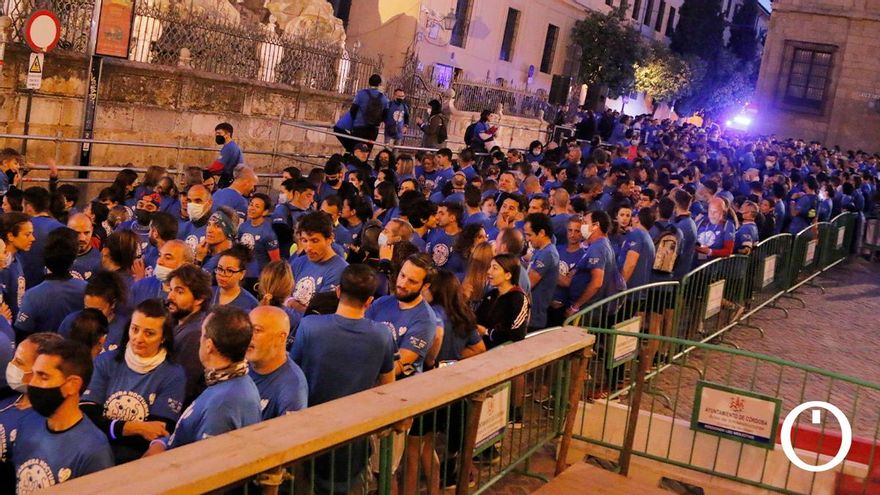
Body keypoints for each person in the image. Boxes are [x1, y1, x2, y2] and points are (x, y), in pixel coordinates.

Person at [291, 264, 395, 492]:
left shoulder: (310, 326)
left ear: (338, 291)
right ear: (369, 301)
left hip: (311, 432)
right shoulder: (382, 335)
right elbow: (388, 386)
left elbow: (293, 374)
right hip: (355, 435)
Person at [80, 299, 185, 464]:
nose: (138, 338)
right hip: (94, 450)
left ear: (163, 337)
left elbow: (158, 430)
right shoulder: (106, 361)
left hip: (138, 459)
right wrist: (135, 427)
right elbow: (87, 416)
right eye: (134, 329)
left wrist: (111, 426)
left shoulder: (174, 374)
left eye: (149, 333)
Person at [144, 306, 261, 455]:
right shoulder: (234, 382)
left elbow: (204, 465)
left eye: (202, 334)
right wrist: (160, 443)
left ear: (209, 346)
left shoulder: (222, 405)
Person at [12, 339, 113, 492]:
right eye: (33, 374)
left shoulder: (94, 451)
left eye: (43, 377)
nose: (32, 383)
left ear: (72, 385)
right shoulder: (27, 423)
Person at [0, 333, 62, 490]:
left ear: (41, 371)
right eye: (14, 359)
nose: (11, 365)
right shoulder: (7, 397)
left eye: (19, 363)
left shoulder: (43, 422)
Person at [365, 254, 438, 379]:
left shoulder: (425, 320)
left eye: (412, 281)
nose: (403, 284)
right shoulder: (382, 302)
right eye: (402, 275)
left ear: (425, 286)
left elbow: (398, 366)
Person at [15, 228, 86, 339]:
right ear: (74, 256)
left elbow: (22, 332)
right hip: (75, 353)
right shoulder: (86, 290)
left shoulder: (33, 296)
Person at [247, 306, 307, 419]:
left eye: (257, 330)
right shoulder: (239, 363)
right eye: (247, 329)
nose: (249, 336)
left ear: (281, 337)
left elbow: (289, 434)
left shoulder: (292, 388)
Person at [165, 264, 212, 403]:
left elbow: (182, 387)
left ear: (199, 299)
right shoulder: (176, 321)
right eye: (171, 289)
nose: (170, 296)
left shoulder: (195, 334)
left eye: (179, 292)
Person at [565, 210, 624, 317]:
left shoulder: (598, 247)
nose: (582, 225)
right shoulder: (600, 244)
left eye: (585, 222)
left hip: (586, 310)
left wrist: (576, 306)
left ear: (595, 225)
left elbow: (597, 282)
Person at [289, 212, 348, 313]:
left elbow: (318, 314)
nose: (308, 248)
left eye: (314, 241)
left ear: (330, 239)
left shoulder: (340, 271)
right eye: (304, 240)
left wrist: (292, 304)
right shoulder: (299, 262)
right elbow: (283, 295)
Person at [57, 270, 129, 352]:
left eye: (98, 310)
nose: (91, 314)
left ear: (112, 304)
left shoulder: (124, 329)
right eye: (87, 307)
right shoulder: (70, 323)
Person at [475, 254, 530, 349]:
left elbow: (517, 334)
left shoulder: (518, 299)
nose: (489, 271)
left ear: (508, 275)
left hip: (503, 353)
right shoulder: (491, 294)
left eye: (494, 268)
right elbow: (477, 318)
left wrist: (487, 332)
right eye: (490, 267)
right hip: (481, 346)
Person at [19, 187, 64, 288]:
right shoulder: (63, 229)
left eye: (23, 206)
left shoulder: (21, 229)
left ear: (29, 207)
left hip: (25, 291)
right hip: (56, 289)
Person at [524, 213, 559, 331]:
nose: (527, 239)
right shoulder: (541, 250)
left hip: (534, 318)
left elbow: (527, 284)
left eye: (530, 235)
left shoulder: (548, 254)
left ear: (542, 233)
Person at [238, 193, 281, 290]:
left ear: (265, 212)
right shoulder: (243, 226)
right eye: (251, 204)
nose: (251, 208)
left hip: (258, 278)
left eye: (257, 206)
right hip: (242, 274)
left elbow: (275, 262)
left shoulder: (268, 233)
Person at [130, 240, 192, 305]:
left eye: (167, 258)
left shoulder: (193, 294)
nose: (159, 262)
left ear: (185, 265)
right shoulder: (140, 287)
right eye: (160, 256)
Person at [0, 212, 33, 317]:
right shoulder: (3, 268)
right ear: (10, 236)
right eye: (27, 234)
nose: (33, 238)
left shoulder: (17, 259)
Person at [211, 245, 259, 312]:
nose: (222, 274)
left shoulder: (251, 305)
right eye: (220, 268)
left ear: (242, 274)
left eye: (229, 271)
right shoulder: (206, 294)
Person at [617, 207, 656, 289]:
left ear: (637, 219)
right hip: (639, 291)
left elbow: (630, 264)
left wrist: (619, 287)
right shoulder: (648, 237)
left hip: (629, 292)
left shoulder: (636, 234)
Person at [350, 74, 389, 152]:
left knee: (355, 151)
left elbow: (353, 110)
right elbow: (385, 115)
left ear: (369, 82)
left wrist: (354, 122)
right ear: (379, 84)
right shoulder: (384, 99)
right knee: (367, 152)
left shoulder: (361, 94)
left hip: (359, 127)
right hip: (373, 130)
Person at [194, 207, 238, 275]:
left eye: (217, 226)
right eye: (209, 224)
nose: (209, 230)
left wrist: (198, 260)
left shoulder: (232, 260)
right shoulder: (204, 254)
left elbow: (194, 284)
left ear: (229, 231)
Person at [694, 198, 735, 265]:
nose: (712, 215)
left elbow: (728, 251)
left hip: (713, 265)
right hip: (696, 261)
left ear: (723, 212)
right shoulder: (701, 221)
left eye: (715, 212)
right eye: (710, 211)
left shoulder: (728, 226)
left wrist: (710, 251)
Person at [177, 184, 213, 255]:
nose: (192, 205)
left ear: (209, 203)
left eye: (198, 201)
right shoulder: (182, 229)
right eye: (189, 201)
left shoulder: (217, 231)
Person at [208, 122, 244, 188]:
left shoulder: (229, 147)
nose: (217, 136)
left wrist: (206, 171)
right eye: (216, 133)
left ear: (228, 134)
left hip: (230, 180)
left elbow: (219, 166)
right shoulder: (231, 146)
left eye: (219, 133)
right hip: (233, 178)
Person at [68, 213, 102, 280]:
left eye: (86, 233)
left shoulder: (100, 261)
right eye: (77, 233)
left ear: (92, 230)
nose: (82, 238)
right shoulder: (57, 256)